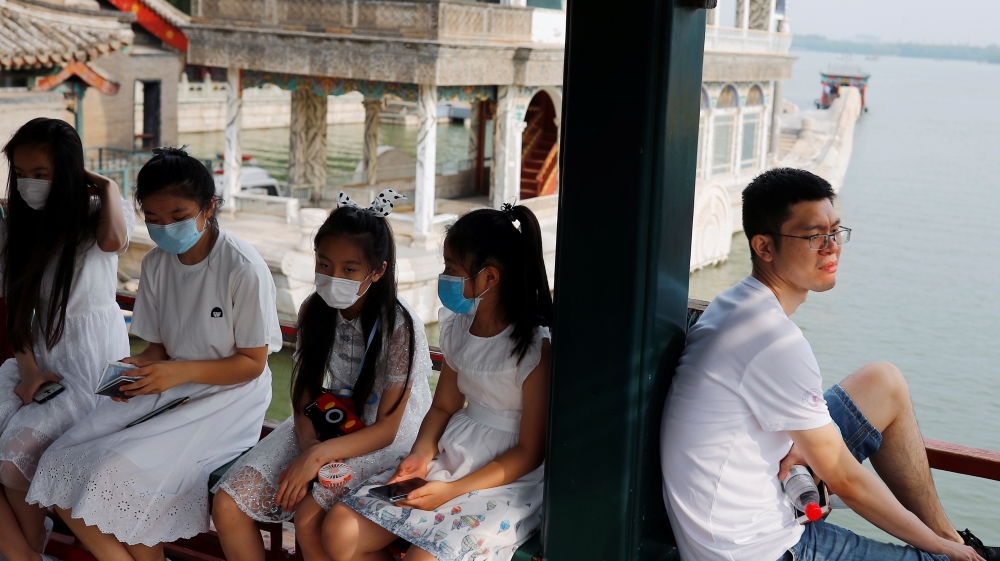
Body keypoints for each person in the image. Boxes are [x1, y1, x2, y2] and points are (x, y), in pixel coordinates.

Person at [660, 167, 999, 561]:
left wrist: (806, 447)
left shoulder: (735, 304)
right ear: (764, 247)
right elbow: (847, 482)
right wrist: (937, 550)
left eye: (835, 231)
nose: (831, 246)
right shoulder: (774, 342)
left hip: (750, 499)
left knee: (883, 382)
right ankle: (949, 548)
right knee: (941, 560)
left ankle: (952, 539)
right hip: (760, 549)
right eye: (812, 237)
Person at [25, 146, 281, 561]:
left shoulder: (242, 268)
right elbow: (157, 349)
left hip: (227, 398)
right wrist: (135, 368)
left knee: (114, 476)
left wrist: (173, 373)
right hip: (170, 385)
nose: (166, 228)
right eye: (155, 219)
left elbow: (252, 364)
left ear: (208, 206)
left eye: (178, 217)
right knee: (58, 462)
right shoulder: (159, 263)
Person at [211, 190, 433, 561]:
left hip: (386, 435)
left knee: (310, 517)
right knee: (227, 503)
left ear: (377, 271)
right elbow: (306, 390)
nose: (333, 277)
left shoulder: (399, 325)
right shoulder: (314, 308)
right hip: (329, 417)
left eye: (350, 269)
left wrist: (317, 458)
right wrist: (309, 443)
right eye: (324, 264)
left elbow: (389, 428)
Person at [324, 204, 552, 561]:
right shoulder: (460, 327)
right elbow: (445, 405)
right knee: (339, 529)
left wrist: (450, 490)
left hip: (505, 478)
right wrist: (420, 454)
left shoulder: (535, 347)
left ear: (489, 278)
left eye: (451, 268)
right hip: (451, 453)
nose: (444, 276)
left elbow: (529, 451)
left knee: (424, 557)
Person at [0, 118, 132, 561]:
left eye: (41, 174)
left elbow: (115, 241)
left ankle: (23, 553)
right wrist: (30, 368)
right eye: (20, 173)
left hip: (96, 364)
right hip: (40, 356)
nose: (28, 184)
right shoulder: (15, 225)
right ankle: (24, 553)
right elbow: (17, 308)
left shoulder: (95, 213)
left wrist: (108, 185)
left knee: (13, 458)